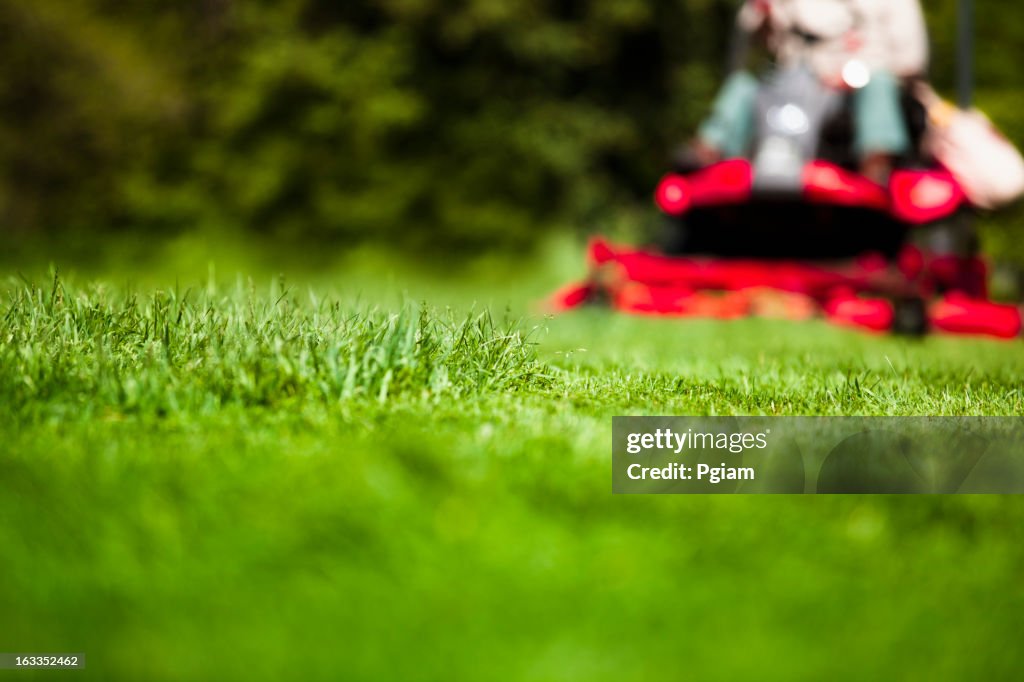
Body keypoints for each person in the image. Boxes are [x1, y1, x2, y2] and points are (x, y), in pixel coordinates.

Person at [692, 0, 930, 183]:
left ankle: (876, 165)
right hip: (794, 84)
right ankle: (708, 156)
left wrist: (852, 76)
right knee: (743, 85)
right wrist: (762, 14)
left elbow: (911, 61)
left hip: (856, 90)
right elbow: (758, 36)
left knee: (879, 84)